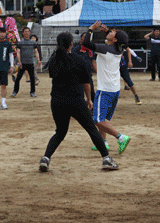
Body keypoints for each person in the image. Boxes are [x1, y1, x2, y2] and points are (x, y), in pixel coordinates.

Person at [39, 32, 119, 172]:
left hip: (57, 101)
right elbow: (86, 84)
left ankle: (45, 158)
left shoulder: (53, 61)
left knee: (60, 132)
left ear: (57, 44)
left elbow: (54, 74)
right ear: (71, 44)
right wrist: (89, 100)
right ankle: (106, 159)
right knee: (91, 129)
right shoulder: (79, 60)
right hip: (75, 101)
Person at [82, 21, 131, 154]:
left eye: (112, 32)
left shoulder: (106, 49)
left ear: (114, 39)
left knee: (97, 120)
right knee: (102, 118)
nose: (110, 31)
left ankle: (121, 137)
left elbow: (86, 43)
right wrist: (107, 32)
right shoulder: (118, 48)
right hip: (114, 89)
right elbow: (114, 41)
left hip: (105, 90)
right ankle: (103, 142)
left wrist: (91, 29)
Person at [12, 27, 40, 98]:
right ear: (23, 33)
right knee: (18, 78)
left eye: (28, 31)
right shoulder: (20, 42)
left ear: (29, 33)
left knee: (32, 78)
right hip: (22, 63)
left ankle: (32, 92)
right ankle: (15, 91)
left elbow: (36, 51)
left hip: (30, 63)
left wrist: (38, 60)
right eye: (25, 31)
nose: (27, 33)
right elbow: (18, 52)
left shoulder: (33, 42)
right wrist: (19, 61)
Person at [72, 32, 97, 101]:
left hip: (88, 74)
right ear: (81, 39)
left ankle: (93, 109)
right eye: (84, 37)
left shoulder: (91, 50)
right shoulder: (76, 49)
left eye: (87, 37)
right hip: (78, 75)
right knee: (80, 94)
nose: (86, 38)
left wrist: (98, 72)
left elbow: (93, 61)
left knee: (92, 93)